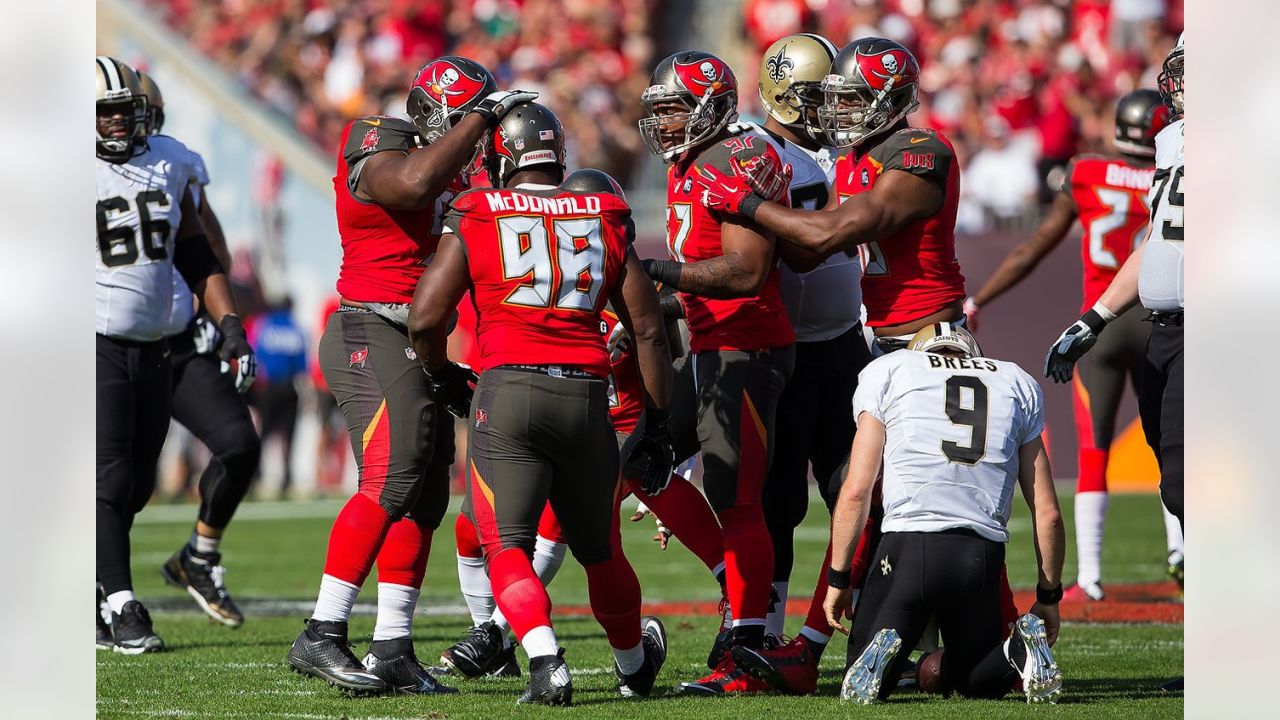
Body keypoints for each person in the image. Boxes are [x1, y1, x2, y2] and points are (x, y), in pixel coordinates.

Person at [286, 55, 536, 696]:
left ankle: (392, 642)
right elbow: (414, 184)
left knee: (424, 497)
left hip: (421, 340)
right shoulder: (376, 140)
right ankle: (322, 629)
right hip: (367, 327)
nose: (479, 136)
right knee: (392, 474)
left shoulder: (464, 170)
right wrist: (480, 119)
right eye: (469, 120)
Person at [407, 103, 672, 705]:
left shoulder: (477, 210)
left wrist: (443, 373)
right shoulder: (601, 209)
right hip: (586, 396)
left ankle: (545, 660)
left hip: (510, 395)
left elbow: (425, 318)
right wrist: (657, 422)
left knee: (507, 545)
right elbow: (650, 329)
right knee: (600, 550)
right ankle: (633, 666)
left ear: (501, 157)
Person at [968, 89, 1181, 601]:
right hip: (1155, 316)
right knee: (1171, 445)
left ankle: (1089, 576)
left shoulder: (1086, 173)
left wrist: (981, 298)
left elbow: (1030, 250)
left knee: (1094, 447)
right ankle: (1179, 550)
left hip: (1100, 321)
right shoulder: (1175, 166)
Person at [636, 49, 797, 695]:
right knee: (640, 459)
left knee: (738, 499)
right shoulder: (690, 162)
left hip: (747, 350)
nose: (665, 122)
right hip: (709, 345)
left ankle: (748, 646)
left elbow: (747, 270)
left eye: (674, 108)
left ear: (711, 106)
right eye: (660, 111)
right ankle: (731, 588)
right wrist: (651, 308)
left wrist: (658, 278)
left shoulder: (737, 158)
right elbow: (706, 279)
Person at [727, 33, 877, 696]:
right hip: (788, 353)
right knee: (778, 503)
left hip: (844, 346)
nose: (836, 109)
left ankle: (863, 632)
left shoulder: (835, 154)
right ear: (790, 95)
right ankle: (762, 636)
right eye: (822, 96)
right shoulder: (760, 154)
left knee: (866, 495)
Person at [96, 56, 255, 653]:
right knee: (107, 476)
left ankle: (95, 590)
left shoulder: (166, 164)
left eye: (124, 110)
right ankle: (121, 602)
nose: (117, 122)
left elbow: (198, 252)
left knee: (135, 484)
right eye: (104, 111)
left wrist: (231, 325)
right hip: (94, 341)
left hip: (160, 346)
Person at [826, 323, 1065, 704]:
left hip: (909, 546)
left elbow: (856, 490)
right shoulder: (1014, 381)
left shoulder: (892, 370)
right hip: (980, 555)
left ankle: (886, 651)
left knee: (864, 681)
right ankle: (1016, 651)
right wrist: (1048, 595)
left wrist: (838, 578)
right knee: (978, 681)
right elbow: (1048, 512)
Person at [695, 37, 967, 354]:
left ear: (894, 100)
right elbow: (804, 255)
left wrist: (747, 203)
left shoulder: (919, 149)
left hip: (931, 338)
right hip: (879, 338)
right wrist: (775, 201)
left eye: (852, 99)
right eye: (836, 99)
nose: (838, 109)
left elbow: (829, 233)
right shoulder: (852, 157)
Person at [1044, 31, 1184, 606]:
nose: (1180, 83)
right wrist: (1095, 317)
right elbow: (1158, 243)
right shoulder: (1175, 140)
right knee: (1176, 480)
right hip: (1160, 329)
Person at [133, 70, 263, 629]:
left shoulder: (174, 164)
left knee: (239, 444)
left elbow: (214, 252)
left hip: (179, 343)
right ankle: (99, 589)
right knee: (124, 482)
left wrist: (226, 324)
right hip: (108, 345)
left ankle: (200, 556)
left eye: (143, 118)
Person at [248, 297, 309, 495]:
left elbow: (258, 356)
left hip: (268, 388)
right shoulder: (296, 328)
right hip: (289, 387)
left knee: (263, 433)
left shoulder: (265, 327)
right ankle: (287, 478)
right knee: (289, 435)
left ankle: (256, 475)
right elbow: (302, 365)